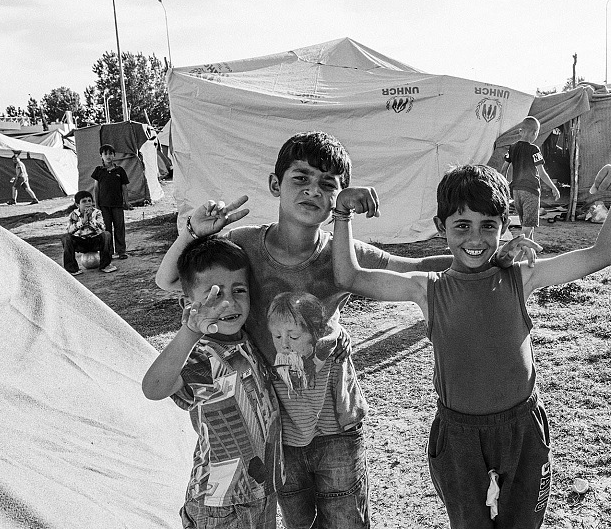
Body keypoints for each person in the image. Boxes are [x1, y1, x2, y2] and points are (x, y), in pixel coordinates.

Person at [155, 131, 455, 529]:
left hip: (336, 424)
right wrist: (193, 234)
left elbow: (413, 268)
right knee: (297, 521)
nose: (314, 190)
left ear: (340, 197)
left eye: (328, 183)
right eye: (302, 178)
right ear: (275, 185)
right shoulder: (243, 245)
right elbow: (170, 281)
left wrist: (480, 257)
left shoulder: (343, 254)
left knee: (347, 519)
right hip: (276, 428)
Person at [331, 163, 611, 529]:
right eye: (462, 225)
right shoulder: (426, 288)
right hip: (459, 439)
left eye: (488, 226)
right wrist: (341, 214)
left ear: (503, 227)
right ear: (439, 226)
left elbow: (603, 254)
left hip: (522, 431)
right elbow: (349, 276)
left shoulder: (522, 277)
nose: (475, 239)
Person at [143, 236, 283, 529]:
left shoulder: (247, 339)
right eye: (215, 294)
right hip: (220, 504)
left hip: (259, 491)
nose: (229, 302)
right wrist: (189, 332)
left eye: (239, 290)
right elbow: (153, 388)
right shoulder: (205, 356)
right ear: (188, 305)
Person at [504, 117, 560, 240]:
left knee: (528, 225)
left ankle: (531, 256)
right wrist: (554, 187)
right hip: (531, 191)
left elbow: (504, 169)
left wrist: (505, 186)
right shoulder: (534, 149)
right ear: (535, 133)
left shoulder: (512, 148)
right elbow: (541, 172)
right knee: (527, 229)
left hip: (516, 191)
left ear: (520, 131)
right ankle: (517, 255)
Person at [61, 190, 117, 275]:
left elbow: (102, 228)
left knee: (107, 235)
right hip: (81, 243)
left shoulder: (97, 212)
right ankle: (72, 268)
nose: (87, 203)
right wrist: (82, 222)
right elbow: (69, 231)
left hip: (95, 241)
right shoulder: (73, 215)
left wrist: (90, 220)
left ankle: (105, 265)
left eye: (89, 201)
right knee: (66, 238)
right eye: (84, 201)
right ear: (77, 205)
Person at [92, 144, 130, 260]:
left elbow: (124, 188)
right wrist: (96, 204)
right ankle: (108, 252)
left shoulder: (120, 171)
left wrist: (126, 202)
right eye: (105, 154)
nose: (108, 156)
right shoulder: (99, 171)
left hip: (117, 204)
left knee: (119, 227)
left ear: (114, 155)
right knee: (106, 229)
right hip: (103, 205)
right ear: (101, 156)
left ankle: (121, 251)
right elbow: (96, 188)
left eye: (110, 153)